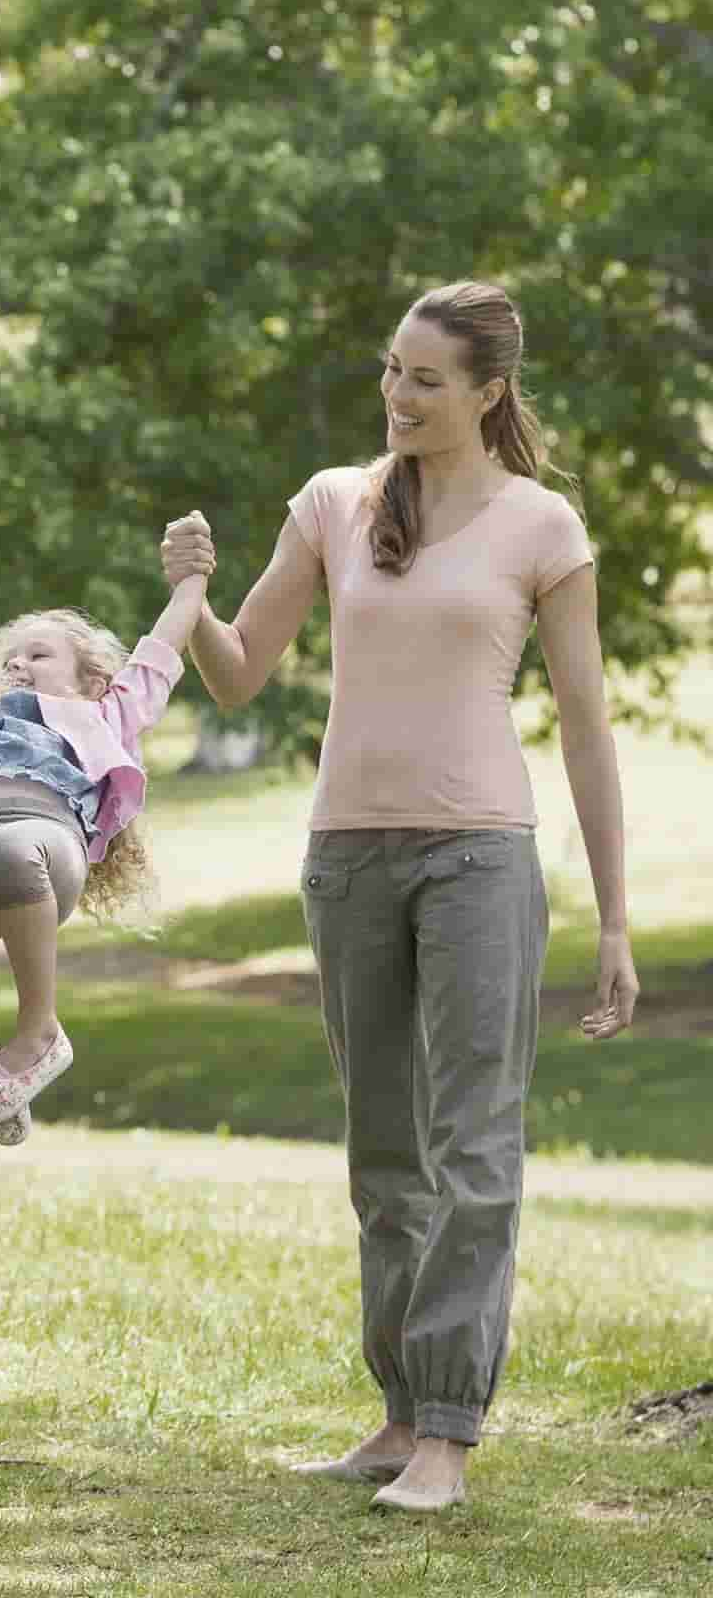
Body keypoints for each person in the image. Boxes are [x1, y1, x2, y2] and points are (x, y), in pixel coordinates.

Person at [161, 280, 637, 1513]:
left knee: (473, 1143)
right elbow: (237, 675)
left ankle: (448, 1431)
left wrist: (619, 918)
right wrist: (190, 595)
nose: (400, 395)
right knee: (385, 1151)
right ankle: (393, 1415)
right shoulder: (332, 502)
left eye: (428, 378)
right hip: (349, 855)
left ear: (489, 392)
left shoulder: (544, 526)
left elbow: (587, 725)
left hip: (480, 855)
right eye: (391, 371)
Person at [0, 557, 207, 1143]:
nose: (18, 663)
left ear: (90, 680)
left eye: (39, 656)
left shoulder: (108, 708)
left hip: (44, 854)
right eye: (12, 656)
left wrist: (192, 578)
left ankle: (38, 1031)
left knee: (15, 845)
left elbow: (165, 646)